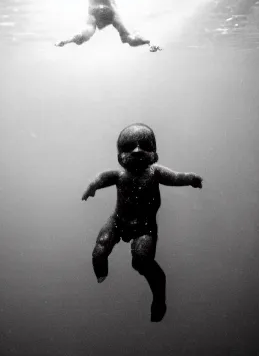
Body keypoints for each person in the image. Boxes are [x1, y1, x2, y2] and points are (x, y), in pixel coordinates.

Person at [82, 123, 203, 322]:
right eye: (130, 147)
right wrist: (92, 186)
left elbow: (175, 177)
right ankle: (101, 275)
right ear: (120, 156)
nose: (137, 151)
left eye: (143, 146)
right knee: (100, 249)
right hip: (118, 221)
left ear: (154, 153)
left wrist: (190, 178)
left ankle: (159, 299)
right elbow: (102, 178)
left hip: (144, 228)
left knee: (142, 261)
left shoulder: (155, 173)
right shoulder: (120, 175)